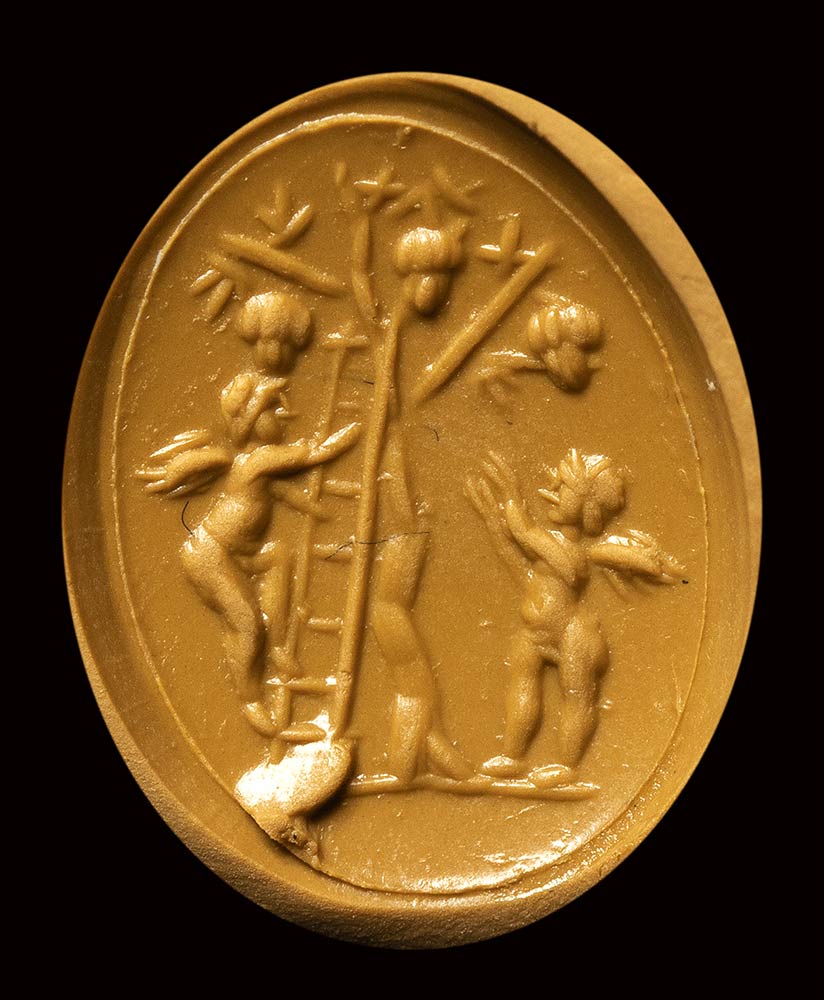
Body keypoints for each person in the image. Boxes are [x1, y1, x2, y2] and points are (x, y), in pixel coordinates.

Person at [137, 371, 360, 735]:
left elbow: (277, 494)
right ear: (254, 420)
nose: (284, 416)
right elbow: (317, 452)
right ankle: (250, 699)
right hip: (210, 555)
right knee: (245, 622)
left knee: (279, 557)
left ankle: (277, 647)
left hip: (237, 554)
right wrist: (356, 430)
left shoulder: (255, 466)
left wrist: (314, 509)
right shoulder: (258, 459)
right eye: (274, 410)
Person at [467, 449, 680, 781]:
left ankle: (568, 766)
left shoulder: (572, 553)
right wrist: (493, 524)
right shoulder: (551, 552)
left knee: (576, 698)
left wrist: (510, 494)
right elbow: (522, 570)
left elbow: (523, 532)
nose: (550, 491)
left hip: (573, 635)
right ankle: (513, 756)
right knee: (521, 686)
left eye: (563, 487)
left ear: (587, 506)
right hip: (535, 632)